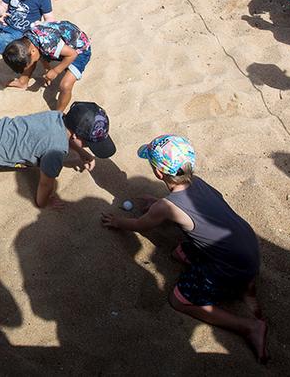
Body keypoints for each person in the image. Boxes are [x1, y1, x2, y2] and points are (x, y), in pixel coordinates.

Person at [101, 134, 267, 362]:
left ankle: (248, 327)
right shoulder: (198, 182)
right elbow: (197, 210)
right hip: (247, 246)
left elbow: (140, 225)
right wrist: (159, 205)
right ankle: (247, 290)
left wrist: (120, 222)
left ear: (159, 173)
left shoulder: (167, 206)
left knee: (180, 300)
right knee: (178, 252)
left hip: (228, 266)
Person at [2, 19, 92, 111]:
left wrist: (55, 71)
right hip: (59, 43)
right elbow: (40, 52)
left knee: (65, 85)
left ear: (33, 51)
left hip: (80, 50)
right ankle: (23, 82)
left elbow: (72, 54)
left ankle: (58, 113)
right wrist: (46, 67)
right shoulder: (27, 41)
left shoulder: (48, 45)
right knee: (29, 60)